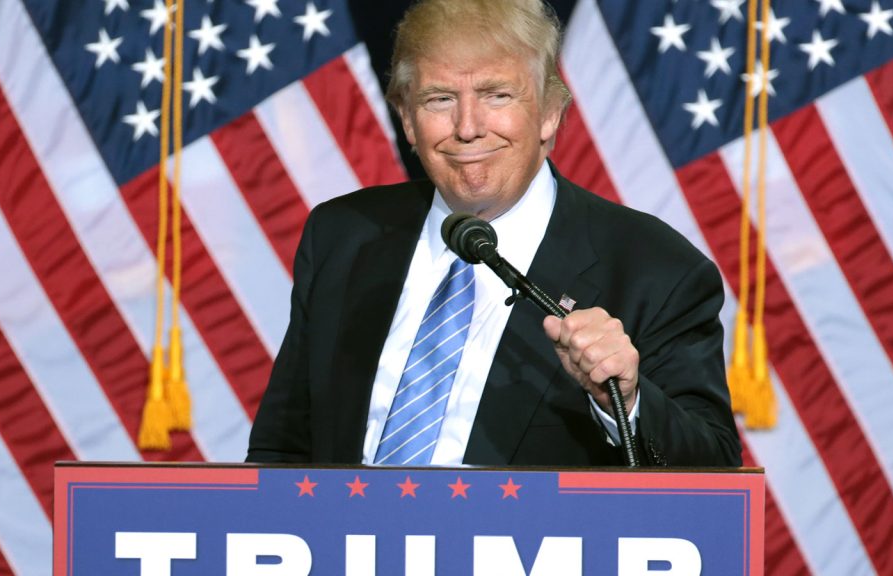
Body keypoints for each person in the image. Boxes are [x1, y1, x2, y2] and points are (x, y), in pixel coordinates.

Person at [247, 0, 741, 467]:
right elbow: (283, 451)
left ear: (549, 112)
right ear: (407, 121)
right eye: (439, 99)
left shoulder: (654, 269)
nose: (467, 128)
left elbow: (713, 473)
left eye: (496, 95)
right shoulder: (343, 235)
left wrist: (627, 401)